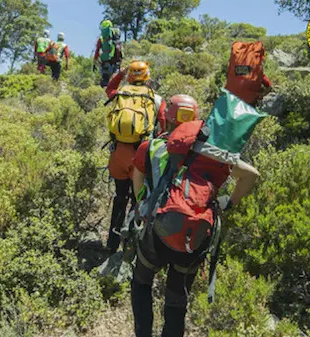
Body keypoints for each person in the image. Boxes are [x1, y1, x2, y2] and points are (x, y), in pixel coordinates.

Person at [129, 94, 261, 337]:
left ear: (166, 117)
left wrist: (141, 205)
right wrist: (227, 203)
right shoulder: (212, 153)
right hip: (193, 236)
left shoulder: (150, 147)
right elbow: (251, 174)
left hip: (156, 231)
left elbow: (137, 178)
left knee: (141, 283)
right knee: (177, 301)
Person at [104, 60, 165, 254]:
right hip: (140, 155)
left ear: (129, 75)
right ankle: (129, 246)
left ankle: (111, 244)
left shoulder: (120, 93)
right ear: (147, 76)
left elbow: (109, 88)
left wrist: (120, 73)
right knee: (138, 200)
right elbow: (163, 126)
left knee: (120, 197)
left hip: (117, 154)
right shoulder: (155, 98)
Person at [94, 20, 123, 88]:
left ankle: (104, 94)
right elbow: (118, 49)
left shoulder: (101, 39)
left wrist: (95, 62)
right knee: (115, 82)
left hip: (105, 62)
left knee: (105, 81)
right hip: (115, 62)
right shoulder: (116, 38)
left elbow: (97, 51)